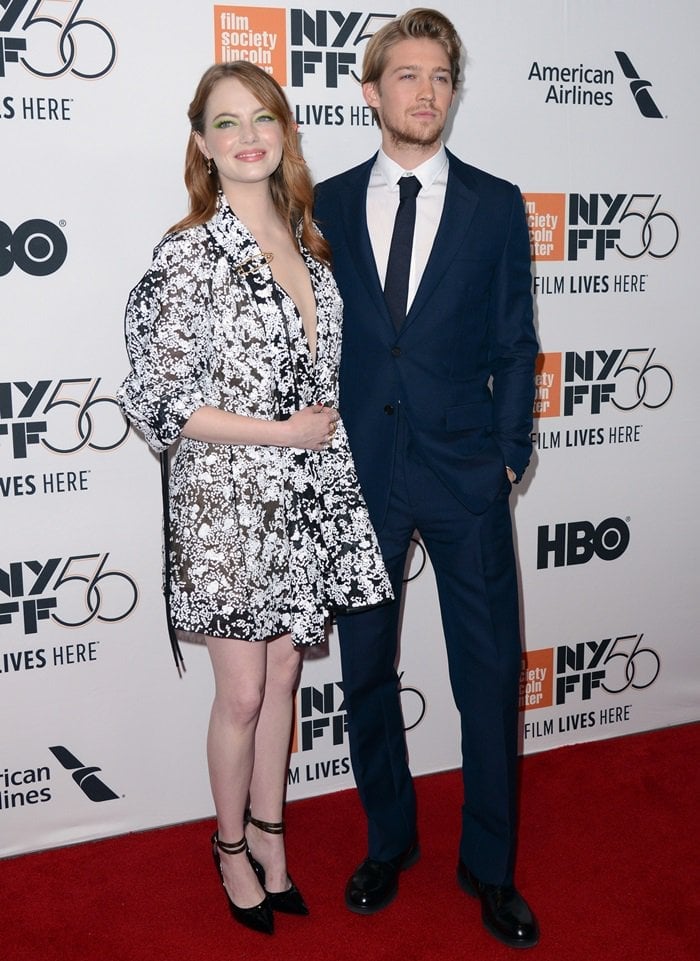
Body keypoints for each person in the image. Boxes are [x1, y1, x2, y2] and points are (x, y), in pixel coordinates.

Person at [117, 61, 393, 937]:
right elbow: (159, 401)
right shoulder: (187, 253)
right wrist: (281, 436)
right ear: (201, 143)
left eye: (262, 118)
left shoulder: (309, 239)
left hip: (305, 494)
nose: (247, 137)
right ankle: (229, 845)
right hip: (229, 500)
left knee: (283, 674)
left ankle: (273, 835)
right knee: (241, 691)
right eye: (226, 123)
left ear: (284, 132)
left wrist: (305, 447)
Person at [314, 8, 540, 949]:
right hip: (358, 471)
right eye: (406, 75)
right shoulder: (319, 204)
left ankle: (488, 866)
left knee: (487, 679)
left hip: (464, 477)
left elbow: (516, 342)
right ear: (371, 91)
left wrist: (507, 455)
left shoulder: (495, 202)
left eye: (441, 76)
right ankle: (389, 841)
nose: (425, 93)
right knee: (366, 672)